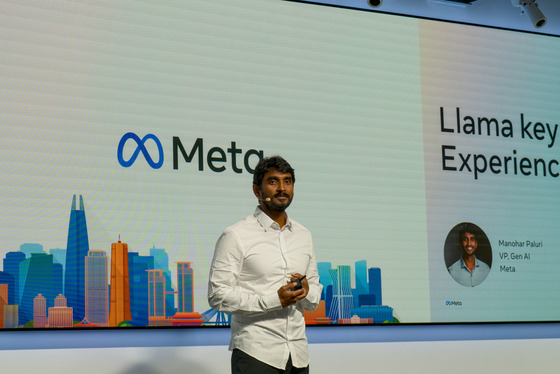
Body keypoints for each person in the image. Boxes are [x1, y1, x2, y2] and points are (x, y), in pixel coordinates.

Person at [208, 155, 322, 374]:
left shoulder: (303, 235)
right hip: (256, 353)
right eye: (273, 181)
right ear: (256, 190)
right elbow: (217, 295)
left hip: (298, 354)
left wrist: (307, 292)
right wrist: (274, 300)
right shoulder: (236, 235)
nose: (282, 188)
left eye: (287, 181)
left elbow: (314, 292)